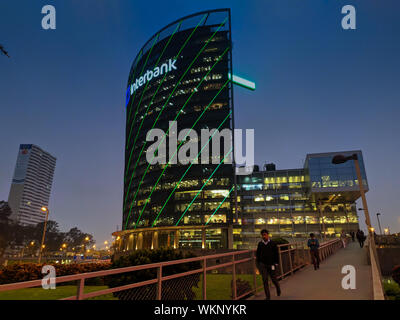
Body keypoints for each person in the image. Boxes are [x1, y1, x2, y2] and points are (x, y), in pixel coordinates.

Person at [256, 229, 281, 300]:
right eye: (262, 235)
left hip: (272, 264)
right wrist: (258, 264)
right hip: (263, 264)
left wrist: (276, 263)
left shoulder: (273, 243)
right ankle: (268, 297)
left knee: (273, 279)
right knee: (265, 280)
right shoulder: (260, 244)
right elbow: (258, 254)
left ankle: (278, 288)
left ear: (268, 235)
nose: (264, 236)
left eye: (265, 235)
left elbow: (276, 254)